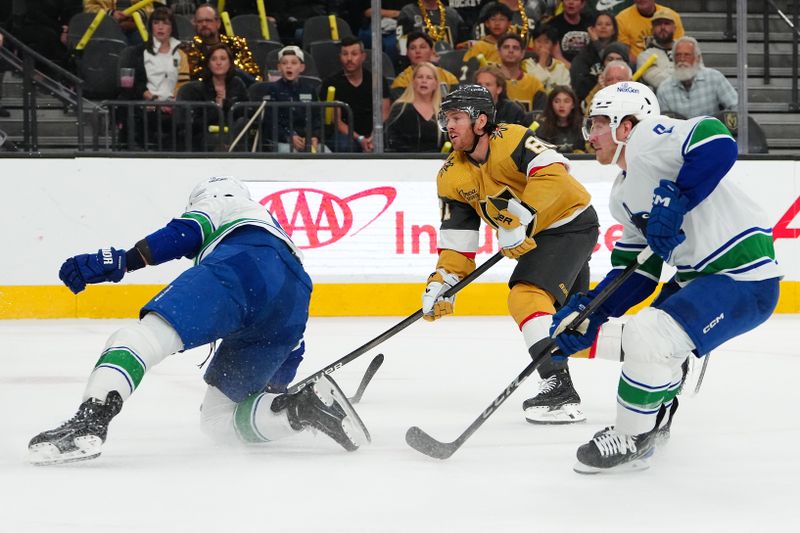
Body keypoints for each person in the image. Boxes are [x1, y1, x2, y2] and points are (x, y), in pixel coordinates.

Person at [28, 176, 371, 465]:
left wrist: (124, 260)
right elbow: (292, 349)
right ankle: (297, 411)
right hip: (295, 295)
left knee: (141, 338)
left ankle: (91, 418)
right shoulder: (277, 232)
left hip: (240, 268)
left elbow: (186, 232)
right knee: (218, 419)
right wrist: (276, 393)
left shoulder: (221, 197)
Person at [555, 81, 780, 473]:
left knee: (649, 336)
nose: (590, 135)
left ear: (626, 125)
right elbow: (637, 272)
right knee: (652, 341)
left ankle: (633, 437)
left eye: (597, 124)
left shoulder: (648, 138)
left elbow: (717, 141)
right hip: (701, 279)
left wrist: (678, 197)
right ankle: (654, 421)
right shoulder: (621, 194)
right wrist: (592, 310)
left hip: (742, 277)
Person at [424, 84, 599, 424]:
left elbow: (553, 172)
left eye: (457, 118)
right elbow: (458, 241)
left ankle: (559, 390)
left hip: (569, 225)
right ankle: (654, 356)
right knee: (568, 329)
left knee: (525, 297)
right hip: (537, 238)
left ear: (481, 121)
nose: (450, 126)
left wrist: (523, 215)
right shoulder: (451, 176)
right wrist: (443, 280)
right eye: (447, 119)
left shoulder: (514, 138)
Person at [117, 6, 190, 149]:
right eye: (156, 23)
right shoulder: (138, 53)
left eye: (165, 23)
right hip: (146, 104)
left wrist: (173, 101)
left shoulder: (181, 55)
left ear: (172, 28)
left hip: (173, 105)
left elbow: (184, 84)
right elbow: (134, 83)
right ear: (151, 27)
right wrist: (150, 98)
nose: (160, 27)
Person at [322, 36, 391, 153]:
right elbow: (337, 121)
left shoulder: (377, 80)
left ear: (363, 56)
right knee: (345, 145)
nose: (349, 58)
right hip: (346, 135)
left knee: (388, 141)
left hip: (374, 132)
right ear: (340, 57)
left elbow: (384, 113)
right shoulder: (331, 83)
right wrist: (360, 138)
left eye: (354, 54)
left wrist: (374, 136)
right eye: (345, 54)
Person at [176, 44, 248, 150]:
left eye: (223, 59)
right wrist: (216, 108)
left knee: (243, 122)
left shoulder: (237, 84)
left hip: (234, 133)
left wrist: (227, 104)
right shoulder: (196, 89)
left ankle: (228, 146)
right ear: (208, 64)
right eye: (214, 59)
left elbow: (245, 112)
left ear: (230, 63)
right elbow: (194, 124)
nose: (218, 63)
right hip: (206, 135)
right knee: (216, 140)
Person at [656, 36, 738, 119]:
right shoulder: (664, 89)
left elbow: (736, 106)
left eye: (687, 55)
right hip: (680, 131)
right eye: (678, 55)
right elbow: (663, 122)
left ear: (697, 58)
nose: (682, 59)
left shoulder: (714, 78)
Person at [262, 45, 324, 153]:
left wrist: (315, 136)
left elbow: (317, 117)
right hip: (282, 140)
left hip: (307, 139)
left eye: (294, 63)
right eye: (284, 63)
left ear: (302, 67)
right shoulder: (273, 89)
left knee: (326, 153)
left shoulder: (309, 89)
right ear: (279, 67)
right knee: (290, 154)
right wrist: (289, 136)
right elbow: (270, 121)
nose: (288, 66)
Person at [182, 3, 261, 83]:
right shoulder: (189, 50)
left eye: (208, 20)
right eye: (200, 21)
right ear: (195, 24)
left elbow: (253, 78)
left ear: (218, 23)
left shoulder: (236, 45)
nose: (204, 24)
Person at [385, 62, 443, 152]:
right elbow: (392, 141)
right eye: (420, 77)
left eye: (429, 78)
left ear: (435, 84)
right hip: (406, 161)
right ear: (413, 82)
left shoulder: (444, 110)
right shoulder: (400, 109)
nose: (424, 81)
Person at [569, 10, 619, 102]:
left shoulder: (620, 52)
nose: (603, 27)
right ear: (592, 29)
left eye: (608, 24)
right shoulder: (584, 55)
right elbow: (579, 85)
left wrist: (597, 43)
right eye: (599, 24)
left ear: (614, 30)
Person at [615, 0, 683, 63]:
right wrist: (644, 64)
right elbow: (624, 52)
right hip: (636, 65)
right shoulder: (621, 19)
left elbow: (679, 46)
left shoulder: (672, 16)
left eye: (666, 24)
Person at [392, 31, 459, 94]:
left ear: (432, 50)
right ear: (407, 52)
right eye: (413, 48)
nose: (417, 51)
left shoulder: (449, 78)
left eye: (422, 47)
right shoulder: (401, 82)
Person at [496, 32, 547, 113]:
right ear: (498, 52)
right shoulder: (491, 82)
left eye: (515, 48)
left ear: (522, 53)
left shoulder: (535, 84)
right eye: (506, 47)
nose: (510, 51)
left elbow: (539, 116)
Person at [522, 25, 571, 95]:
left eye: (546, 42)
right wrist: (542, 62)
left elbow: (566, 93)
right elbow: (532, 87)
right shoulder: (526, 65)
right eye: (538, 41)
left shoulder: (561, 67)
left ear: (553, 46)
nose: (541, 46)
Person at [635, 9, 677, 90]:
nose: (663, 27)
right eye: (658, 24)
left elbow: (697, 73)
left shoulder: (686, 50)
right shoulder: (644, 56)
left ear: (674, 28)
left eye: (667, 23)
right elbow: (657, 81)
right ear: (652, 30)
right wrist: (683, 75)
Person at [535, 84, 585, 153]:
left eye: (566, 101)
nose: (561, 105)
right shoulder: (540, 126)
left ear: (573, 104)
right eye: (557, 101)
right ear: (551, 104)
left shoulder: (583, 126)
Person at [398, 0, 468, 48]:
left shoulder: (452, 14)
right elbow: (402, 47)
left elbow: (462, 44)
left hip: (450, 64)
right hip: (420, 66)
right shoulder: (408, 12)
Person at [84, 0, 155, 45]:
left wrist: (135, 16)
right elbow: (89, 8)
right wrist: (111, 14)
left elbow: (149, 9)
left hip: (136, 26)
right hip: (105, 27)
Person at [549, 0, 594, 68]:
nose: (571, 2)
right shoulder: (552, 25)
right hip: (564, 71)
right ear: (562, 2)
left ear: (582, 4)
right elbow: (557, 56)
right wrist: (575, 70)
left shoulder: (591, 22)